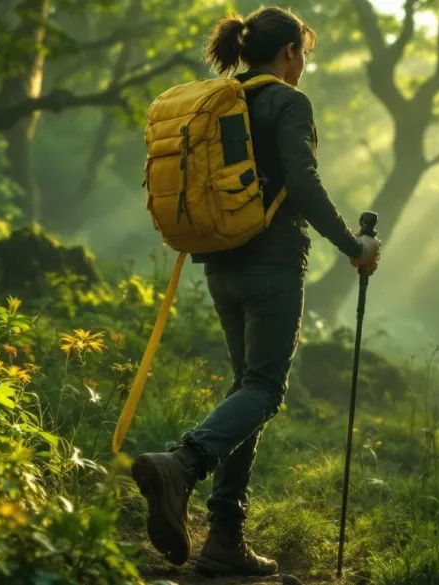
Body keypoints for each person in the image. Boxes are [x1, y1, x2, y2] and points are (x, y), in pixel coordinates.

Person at [129, 6, 381, 577]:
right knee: (265, 389)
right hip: (271, 264)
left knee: (248, 389)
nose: (304, 67)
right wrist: (352, 245)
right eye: (304, 56)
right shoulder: (287, 101)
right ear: (290, 51)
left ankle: (224, 539)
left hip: (219, 263)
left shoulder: (226, 99)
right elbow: (301, 180)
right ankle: (184, 462)